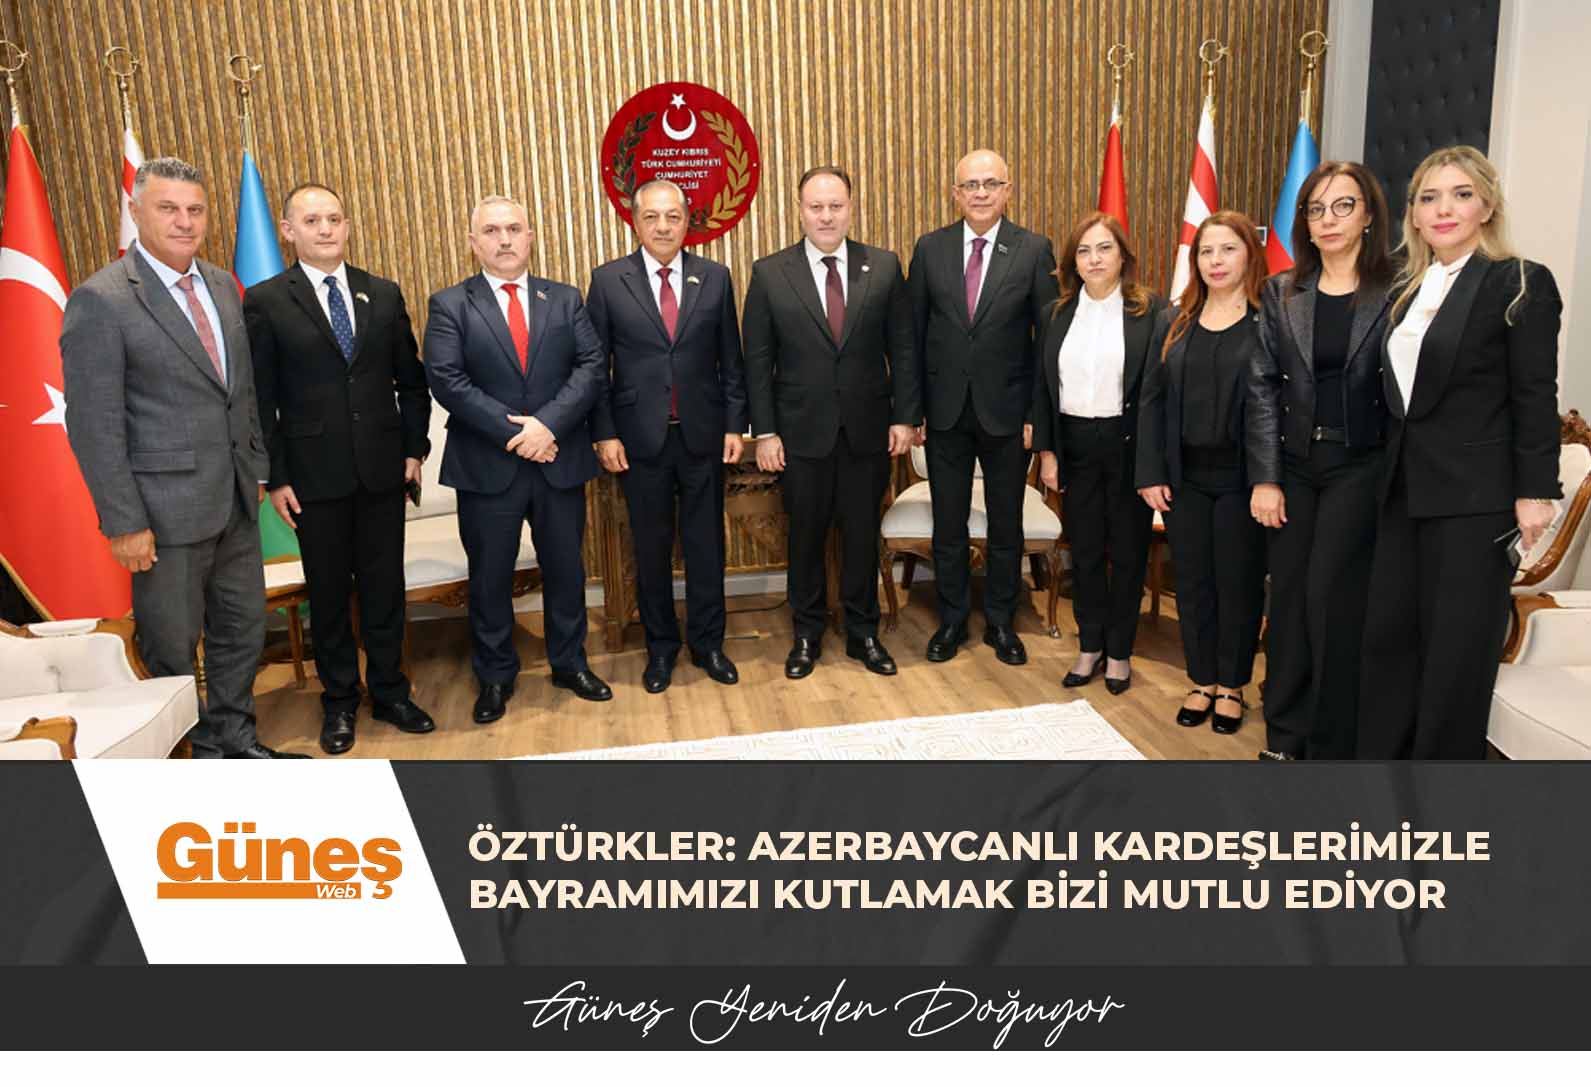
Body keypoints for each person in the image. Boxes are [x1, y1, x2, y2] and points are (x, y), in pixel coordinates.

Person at [60, 157, 304, 757]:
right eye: (168, 208)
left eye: (195, 210)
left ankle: (235, 742)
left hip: (235, 502)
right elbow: (93, 425)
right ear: (136, 211)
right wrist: (123, 522)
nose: (184, 221)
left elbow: (239, 391)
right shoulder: (102, 301)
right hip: (162, 515)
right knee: (170, 646)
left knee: (241, 632)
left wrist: (255, 467)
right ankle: (187, 759)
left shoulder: (221, 285)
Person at [1358, 145, 1562, 759]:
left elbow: (1535, 394)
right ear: (1414, 216)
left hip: (1475, 500)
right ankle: (1382, 781)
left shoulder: (1519, 281)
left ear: (1487, 206)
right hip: (1403, 493)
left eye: (1461, 194)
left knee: (1455, 656)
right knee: (1390, 642)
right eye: (1429, 197)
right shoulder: (1407, 289)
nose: (1444, 209)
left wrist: (1535, 491)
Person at [244, 183, 435, 755]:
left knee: (385, 590)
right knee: (328, 598)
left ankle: (391, 692)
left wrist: (414, 449)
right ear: (288, 231)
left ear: (347, 226)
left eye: (333, 218)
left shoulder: (383, 292)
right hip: (312, 479)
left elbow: (412, 382)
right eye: (311, 220)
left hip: (383, 472)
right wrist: (276, 477)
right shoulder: (266, 301)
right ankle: (340, 701)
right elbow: (260, 400)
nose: (325, 229)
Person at [423, 195, 611, 724]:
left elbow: (592, 366)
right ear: (473, 242)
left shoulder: (565, 298)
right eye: (491, 230)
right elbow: (447, 380)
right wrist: (521, 434)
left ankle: (570, 663)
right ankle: (495, 676)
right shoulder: (450, 304)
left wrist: (547, 426)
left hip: (558, 458)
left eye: (513, 228)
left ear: (530, 236)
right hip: (487, 466)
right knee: (489, 577)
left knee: (566, 569)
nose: (504, 239)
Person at [742, 166, 920, 679]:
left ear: (850, 208)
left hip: (868, 432)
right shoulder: (770, 273)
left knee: (862, 536)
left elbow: (903, 348)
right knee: (805, 539)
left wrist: (905, 418)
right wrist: (765, 432)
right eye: (816, 206)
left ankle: (864, 633)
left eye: (835, 206)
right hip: (800, 436)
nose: (826, 216)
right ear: (800, 211)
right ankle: (806, 634)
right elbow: (758, 360)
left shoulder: (883, 266)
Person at [1247, 162, 1394, 761]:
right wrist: (1266, 478)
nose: (1328, 219)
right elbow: (1261, 387)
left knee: (1332, 601)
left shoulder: (1399, 290)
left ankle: (1330, 743)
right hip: (1295, 466)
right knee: (1287, 600)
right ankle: (1284, 735)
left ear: (1368, 215)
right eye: (1316, 209)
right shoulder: (1283, 291)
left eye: (1343, 206)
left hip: (1362, 467)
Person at [587, 179, 748, 694]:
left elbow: (732, 361)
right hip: (639, 441)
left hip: (703, 435)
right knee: (651, 549)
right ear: (635, 222)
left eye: (673, 217)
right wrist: (604, 433)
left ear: (687, 221)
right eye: (652, 217)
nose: (662, 226)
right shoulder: (608, 281)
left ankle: (708, 644)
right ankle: (660, 648)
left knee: (707, 547)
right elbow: (595, 368)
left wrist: (735, 425)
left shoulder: (715, 278)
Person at [909, 149, 1058, 666]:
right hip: (944, 414)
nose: (980, 193)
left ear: (1007, 190)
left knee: (1006, 525)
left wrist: (1037, 417)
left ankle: (1000, 621)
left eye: (990, 183)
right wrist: (912, 410)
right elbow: (913, 336)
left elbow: (1047, 342)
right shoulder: (929, 249)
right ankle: (951, 620)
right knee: (947, 525)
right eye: (970, 185)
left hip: (1008, 416)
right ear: (955, 193)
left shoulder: (1033, 250)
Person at [1136, 211, 1268, 734]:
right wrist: (1150, 472)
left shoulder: (1267, 320)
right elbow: (1150, 400)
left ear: (1249, 255)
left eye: (1228, 249)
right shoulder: (1174, 320)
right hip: (1183, 478)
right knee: (1192, 583)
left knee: (1237, 583)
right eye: (1206, 251)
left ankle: (1232, 684)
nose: (1216, 261)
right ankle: (1201, 680)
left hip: (1243, 481)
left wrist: (1269, 479)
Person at [1033, 212, 1167, 695]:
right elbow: (1043, 388)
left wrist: (1154, 463)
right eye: (1084, 251)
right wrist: (1048, 453)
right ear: (1073, 262)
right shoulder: (1056, 313)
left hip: (1128, 445)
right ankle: (1090, 645)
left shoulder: (1150, 311)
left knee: (1127, 554)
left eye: (1104, 248)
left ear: (1123, 257)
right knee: (1085, 552)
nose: (1094, 259)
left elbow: (1157, 392)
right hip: (1074, 445)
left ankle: (1120, 652)